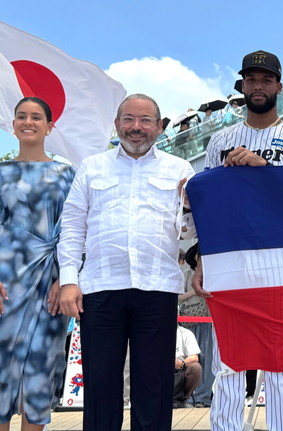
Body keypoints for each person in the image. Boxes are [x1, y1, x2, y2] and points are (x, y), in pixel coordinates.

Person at [190, 50, 283, 431]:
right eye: (251, 80)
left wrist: (265, 169)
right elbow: (209, 208)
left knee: (281, 362)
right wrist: (202, 259)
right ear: (242, 86)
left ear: (279, 86)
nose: (258, 86)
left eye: (265, 80)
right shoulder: (221, 140)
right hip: (232, 258)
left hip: (282, 258)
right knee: (228, 360)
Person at [58, 93, 196, 431]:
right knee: (100, 383)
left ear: (159, 127)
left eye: (145, 120)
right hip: (100, 288)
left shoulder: (179, 169)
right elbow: (72, 226)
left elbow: (190, 231)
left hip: (157, 288)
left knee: (154, 386)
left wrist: (189, 207)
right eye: (129, 119)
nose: (137, 127)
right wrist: (69, 280)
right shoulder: (92, 167)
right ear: (117, 124)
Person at [0, 97, 76, 431]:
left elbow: (75, 230)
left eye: (36, 117)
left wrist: (66, 278)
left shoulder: (67, 174)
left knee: (40, 368)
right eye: (21, 116)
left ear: (49, 126)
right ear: (13, 125)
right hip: (5, 282)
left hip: (50, 285)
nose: (28, 122)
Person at [178, 243, 214, 407]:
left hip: (209, 320)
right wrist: (196, 290)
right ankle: (190, 396)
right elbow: (179, 297)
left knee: (208, 358)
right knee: (192, 358)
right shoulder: (186, 274)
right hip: (190, 322)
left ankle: (204, 396)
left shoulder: (212, 274)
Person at [174, 325, 203, 408]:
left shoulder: (186, 333)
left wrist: (181, 363)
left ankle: (184, 399)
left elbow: (194, 357)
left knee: (196, 368)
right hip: (159, 367)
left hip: (179, 369)